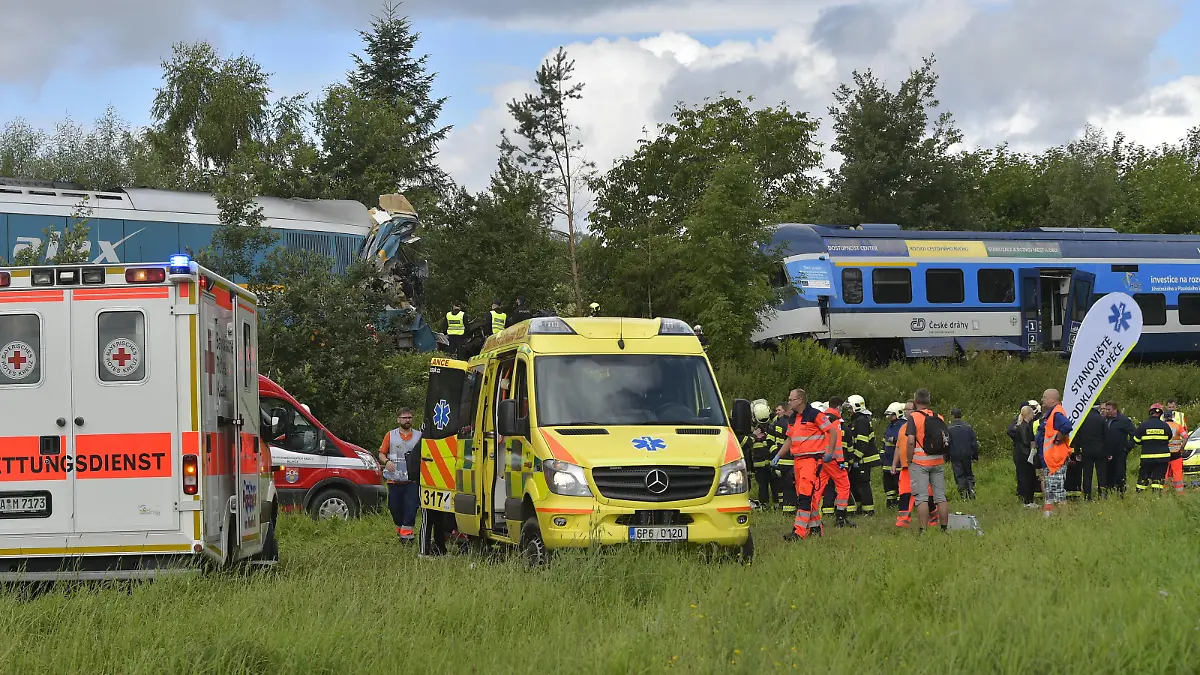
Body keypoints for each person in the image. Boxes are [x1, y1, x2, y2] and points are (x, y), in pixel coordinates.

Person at [778, 389, 839, 541]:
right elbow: (790, 439)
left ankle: (799, 532)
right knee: (805, 495)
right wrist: (778, 456)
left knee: (805, 496)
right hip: (798, 460)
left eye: (791, 399)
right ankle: (816, 528)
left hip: (811, 460)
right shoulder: (793, 418)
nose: (789, 402)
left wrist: (830, 452)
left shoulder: (815, 415)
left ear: (799, 400)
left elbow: (832, 432)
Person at [905, 388, 950, 531]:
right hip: (937, 460)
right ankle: (943, 528)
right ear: (928, 401)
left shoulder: (913, 417)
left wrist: (909, 459)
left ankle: (923, 530)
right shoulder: (939, 417)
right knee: (940, 497)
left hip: (920, 463)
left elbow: (911, 441)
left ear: (915, 401)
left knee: (921, 498)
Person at [378, 408, 422, 541]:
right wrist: (387, 461)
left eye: (409, 417)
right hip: (394, 479)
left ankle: (407, 536)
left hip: (412, 480)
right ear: (398, 420)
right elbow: (381, 453)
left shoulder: (419, 436)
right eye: (404, 418)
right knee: (394, 507)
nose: (407, 420)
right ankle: (401, 530)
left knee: (411, 507)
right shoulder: (390, 435)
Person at [816, 397, 856, 527]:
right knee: (844, 486)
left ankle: (813, 515)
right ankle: (840, 517)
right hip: (833, 459)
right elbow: (837, 442)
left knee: (818, 487)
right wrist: (840, 460)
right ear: (838, 407)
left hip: (821, 458)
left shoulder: (821, 417)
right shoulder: (835, 420)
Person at [1036, 389, 1074, 516]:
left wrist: (1059, 436)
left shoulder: (1057, 413)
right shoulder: (1050, 414)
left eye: (1044, 397)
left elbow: (1067, 426)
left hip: (1056, 461)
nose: (1042, 400)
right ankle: (1048, 517)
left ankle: (1064, 519)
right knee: (1049, 492)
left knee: (1057, 493)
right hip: (1049, 461)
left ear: (1052, 399)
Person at [844, 395, 879, 516]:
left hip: (864, 460)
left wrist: (856, 458)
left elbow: (862, 442)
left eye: (850, 408)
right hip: (860, 460)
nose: (849, 411)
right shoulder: (856, 420)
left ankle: (869, 511)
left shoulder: (862, 421)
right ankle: (860, 508)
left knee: (863, 485)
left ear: (856, 407)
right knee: (856, 484)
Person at [745, 400, 778, 508]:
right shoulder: (749, 426)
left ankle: (776, 502)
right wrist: (754, 435)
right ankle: (764, 504)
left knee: (774, 483)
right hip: (759, 463)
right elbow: (745, 444)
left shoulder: (773, 423)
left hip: (770, 460)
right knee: (763, 485)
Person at [1134, 403, 1172, 493]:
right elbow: (1169, 440)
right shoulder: (1165, 426)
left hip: (1147, 458)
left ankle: (1139, 494)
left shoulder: (1144, 425)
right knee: (1158, 478)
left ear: (1150, 412)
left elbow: (1136, 440)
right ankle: (1156, 495)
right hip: (1163, 458)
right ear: (1161, 414)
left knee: (1144, 476)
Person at [1102, 400, 1136, 495]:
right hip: (1106, 452)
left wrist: (1128, 447)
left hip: (1120, 451)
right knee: (1107, 473)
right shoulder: (1104, 420)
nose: (1107, 411)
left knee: (1120, 473)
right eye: (1105, 409)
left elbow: (1134, 434)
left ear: (1115, 409)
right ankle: (1108, 492)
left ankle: (1121, 492)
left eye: (1109, 409)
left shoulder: (1124, 420)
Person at [1073, 404, 1107, 500]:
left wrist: (1077, 451)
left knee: (1087, 474)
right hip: (1100, 450)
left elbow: (1077, 436)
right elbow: (1106, 436)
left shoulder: (1082, 419)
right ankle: (1102, 494)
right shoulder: (1101, 419)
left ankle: (1087, 495)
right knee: (1101, 473)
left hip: (1086, 450)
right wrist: (1107, 451)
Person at [765, 403, 795, 511]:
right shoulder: (791, 423)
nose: (777, 412)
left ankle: (784, 506)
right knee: (789, 486)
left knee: (783, 485)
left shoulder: (777, 424)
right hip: (790, 460)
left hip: (781, 459)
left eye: (779, 410)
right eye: (776, 410)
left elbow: (770, 440)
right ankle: (789, 508)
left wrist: (776, 454)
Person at [1008, 405, 1039, 506]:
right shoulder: (1024, 426)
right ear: (1029, 414)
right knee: (1026, 477)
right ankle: (1026, 500)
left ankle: (1028, 499)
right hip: (1024, 455)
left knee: (1028, 476)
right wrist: (1033, 443)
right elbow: (1025, 441)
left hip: (1023, 454)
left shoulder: (1023, 425)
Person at [947, 407, 979, 500]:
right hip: (967, 454)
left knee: (959, 474)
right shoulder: (968, 427)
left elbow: (947, 443)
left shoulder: (950, 429)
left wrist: (946, 457)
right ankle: (971, 490)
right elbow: (974, 443)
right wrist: (975, 456)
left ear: (952, 416)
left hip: (955, 455)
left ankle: (963, 495)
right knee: (968, 473)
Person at [880, 402, 905, 508]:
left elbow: (904, 442)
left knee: (899, 483)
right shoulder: (890, 426)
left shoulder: (903, 425)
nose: (890, 417)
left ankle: (901, 502)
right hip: (887, 460)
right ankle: (891, 502)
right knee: (888, 484)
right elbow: (884, 442)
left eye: (892, 415)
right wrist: (882, 456)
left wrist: (895, 440)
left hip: (899, 461)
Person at [1164, 408, 1188, 495]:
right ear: (1173, 417)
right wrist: (1182, 447)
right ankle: (1180, 492)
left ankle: (1164, 491)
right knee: (1177, 473)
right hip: (1176, 453)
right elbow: (1185, 437)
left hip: (1165, 453)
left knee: (1165, 473)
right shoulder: (1177, 426)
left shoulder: (1162, 426)